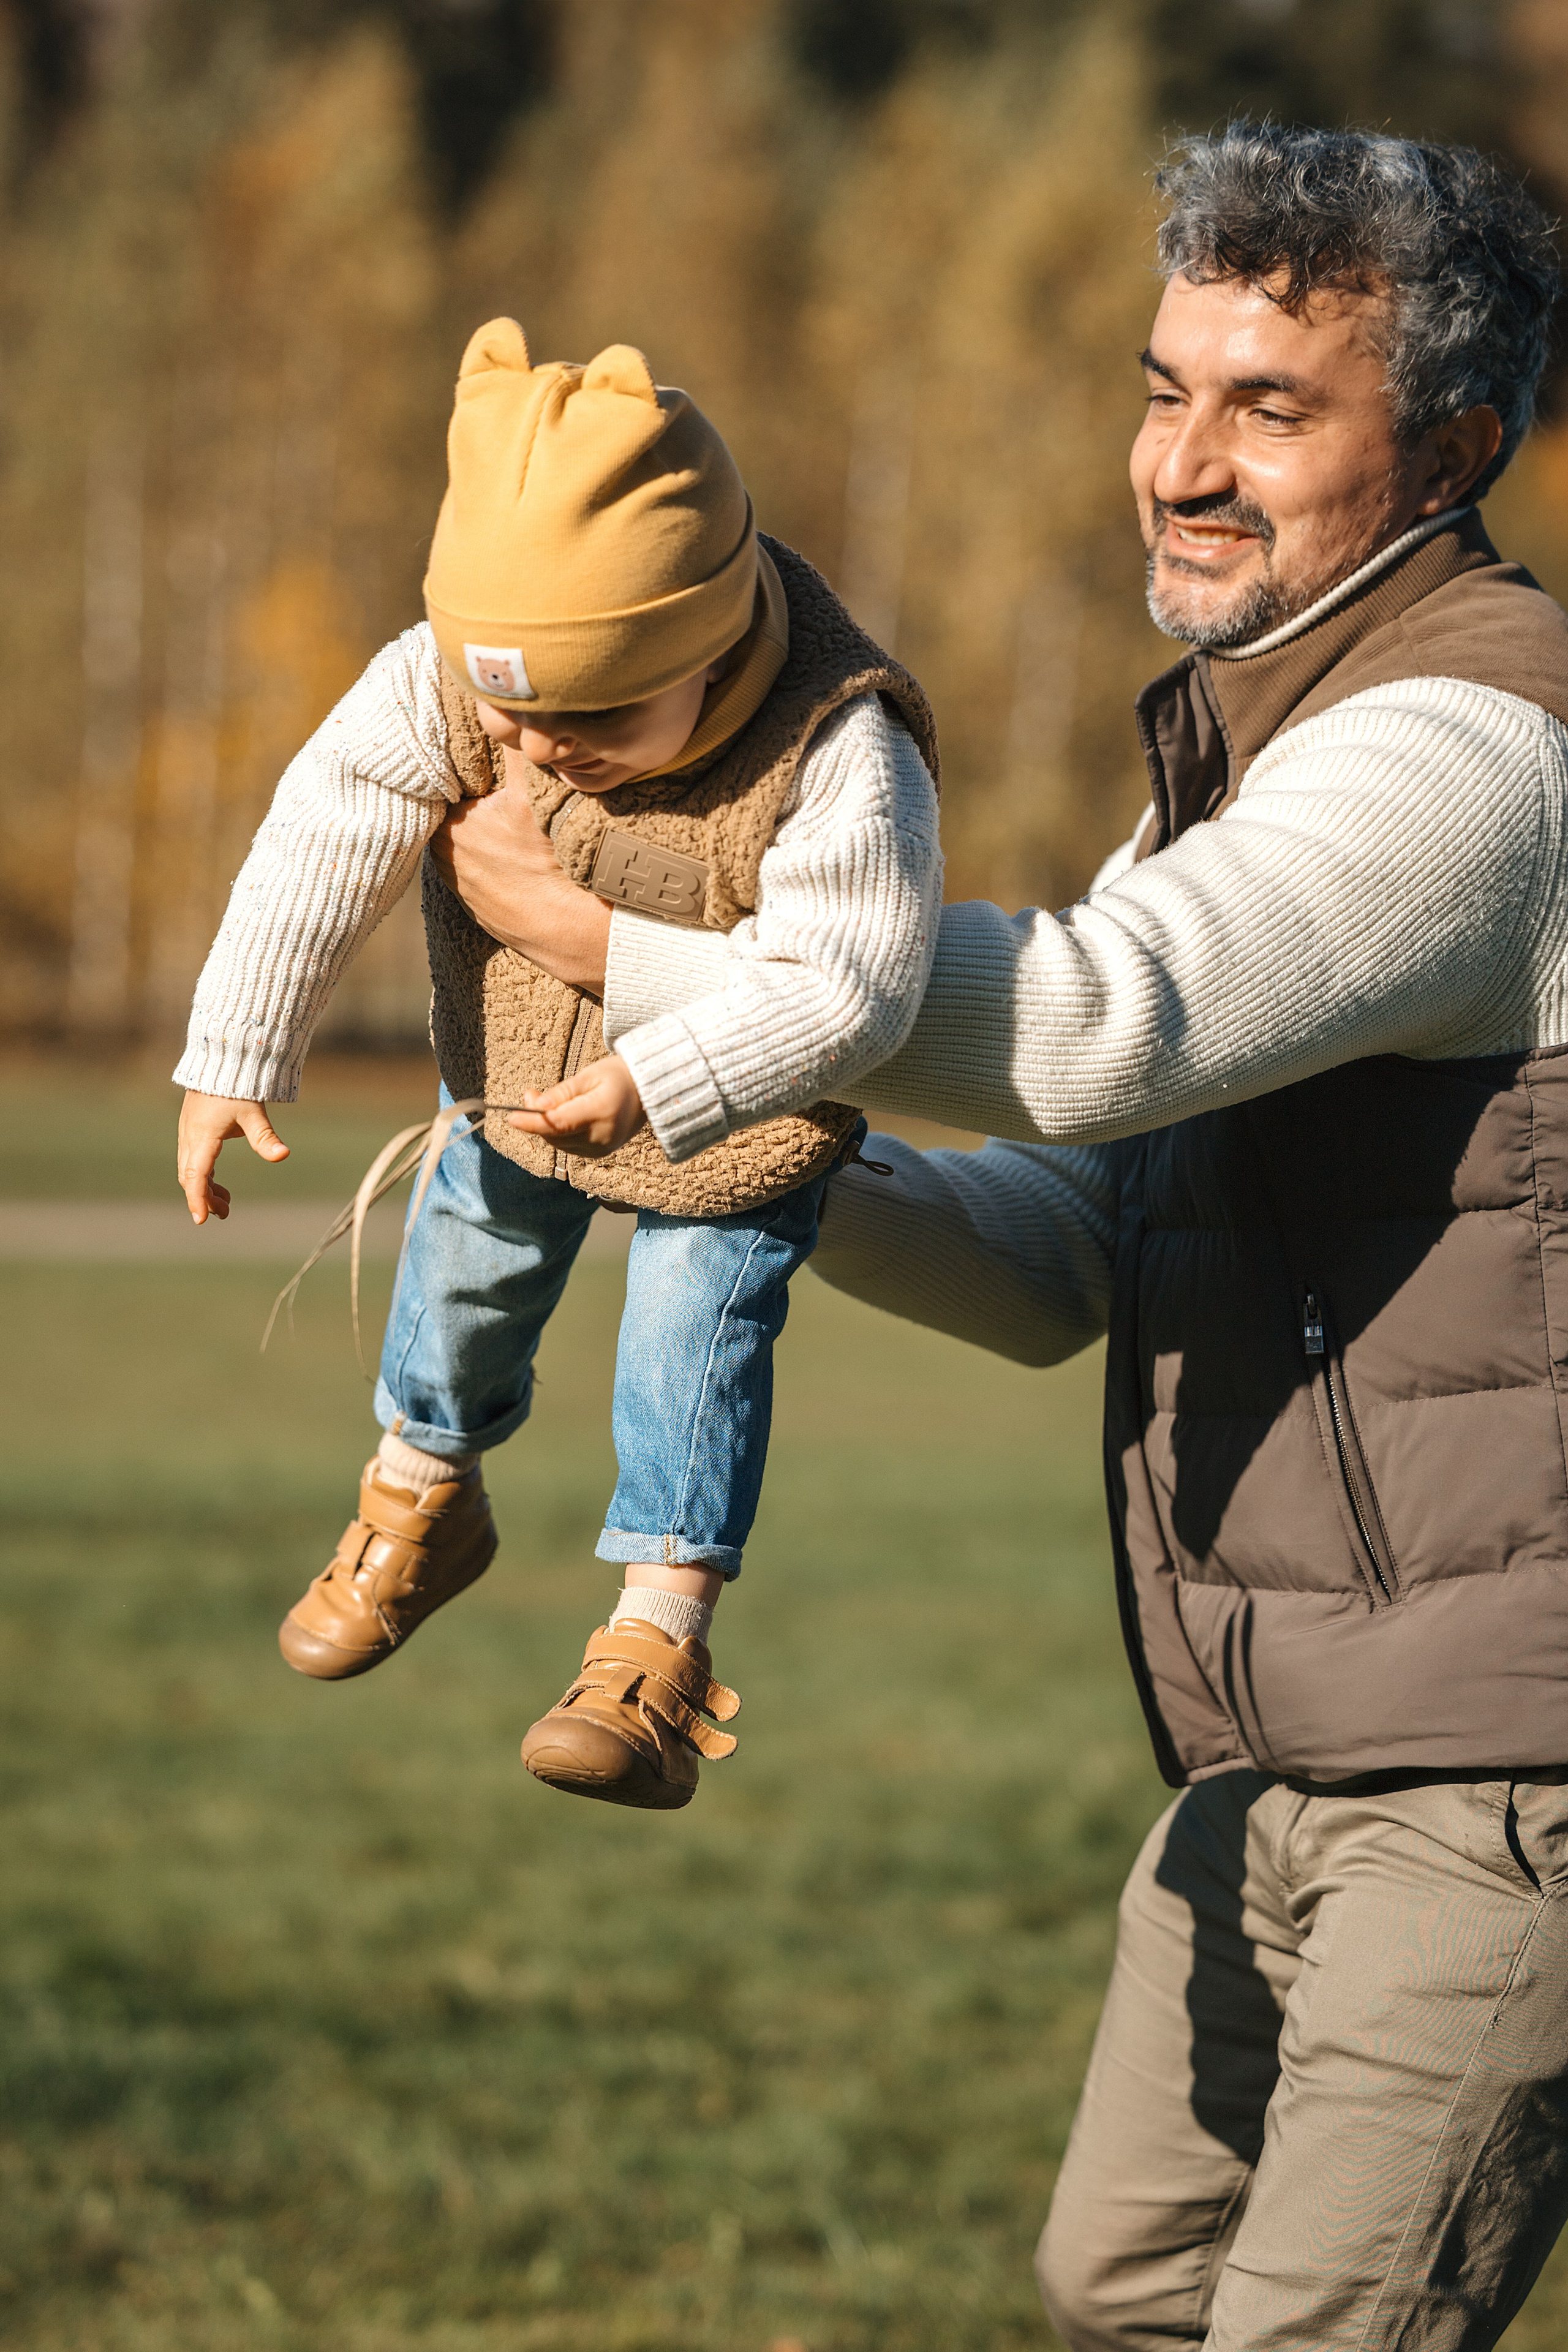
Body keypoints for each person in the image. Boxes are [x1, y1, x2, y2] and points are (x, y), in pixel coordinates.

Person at [439, 125, 1568, 2349]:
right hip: (1272, 1751)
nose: (1186, 464)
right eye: (1168, 390)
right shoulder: (1236, 759)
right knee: (1119, 2286)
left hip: (1505, 1779)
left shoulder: (1467, 751)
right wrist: (760, 1151)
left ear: (1447, 449)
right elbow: (1073, 1252)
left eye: (1272, 408)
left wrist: (642, 937)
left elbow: (1088, 1029)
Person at [174, 320, 941, 1813]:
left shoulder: (838, 747)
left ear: (712, 639)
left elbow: (858, 983)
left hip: (738, 1122)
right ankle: (421, 1494)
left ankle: (652, 1651)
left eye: (588, 716)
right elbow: (331, 822)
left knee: (689, 1339)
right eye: (506, 708)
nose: (531, 742)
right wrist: (233, 1047)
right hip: (520, 1078)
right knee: (462, 1267)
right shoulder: (470, 678)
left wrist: (666, 1077)